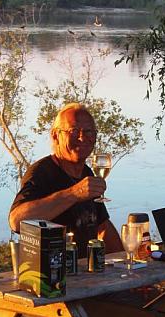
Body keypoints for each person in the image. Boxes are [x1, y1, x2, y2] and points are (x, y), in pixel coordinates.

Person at [9, 103, 122, 257]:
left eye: (88, 131)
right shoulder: (41, 173)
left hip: (86, 273)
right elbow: (16, 221)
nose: (82, 137)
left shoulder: (86, 172)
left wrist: (127, 262)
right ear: (55, 136)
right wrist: (74, 194)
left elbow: (102, 227)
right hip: (53, 274)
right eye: (74, 130)